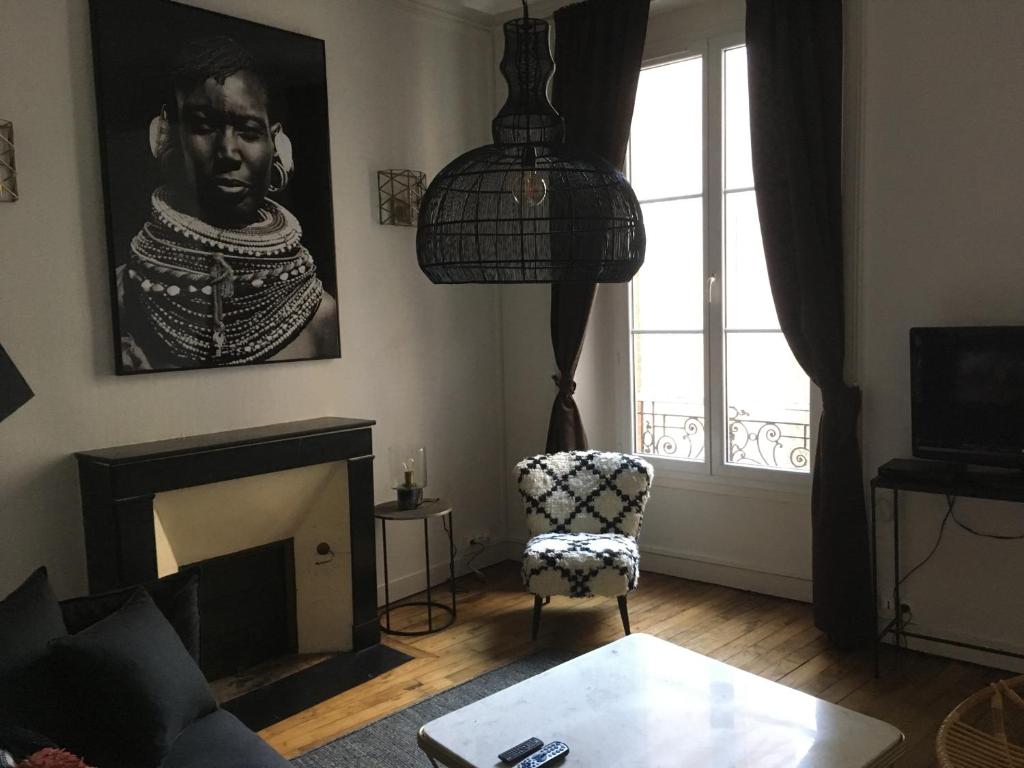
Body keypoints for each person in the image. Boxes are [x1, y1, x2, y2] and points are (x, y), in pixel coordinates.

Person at [118, 35, 338, 371]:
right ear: (166, 134)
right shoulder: (124, 295)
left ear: (276, 143)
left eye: (248, 131)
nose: (227, 153)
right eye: (204, 126)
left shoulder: (321, 314)